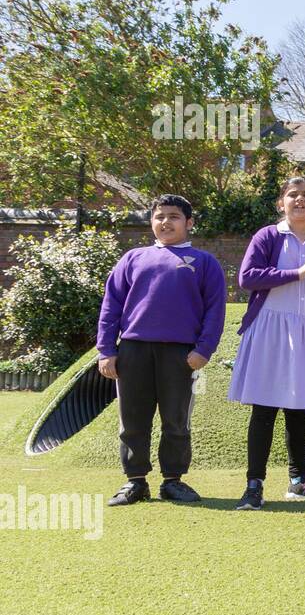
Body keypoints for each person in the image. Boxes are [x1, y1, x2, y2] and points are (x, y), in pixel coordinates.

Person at [229, 176, 305, 510]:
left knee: (300, 408)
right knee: (264, 407)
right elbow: (247, 278)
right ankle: (254, 485)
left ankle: (300, 481)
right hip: (269, 327)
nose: (300, 200)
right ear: (280, 203)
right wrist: (298, 272)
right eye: (292, 195)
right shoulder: (267, 236)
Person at [99, 194, 225, 506]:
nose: (165, 222)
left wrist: (203, 350)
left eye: (174, 216)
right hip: (133, 350)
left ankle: (173, 481)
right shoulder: (133, 259)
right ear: (152, 222)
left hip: (179, 355)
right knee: (132, 420)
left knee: (176, 419)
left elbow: (215, 311)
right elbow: (111, 306)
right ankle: (135, 481)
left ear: (189, 223)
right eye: (159, 216)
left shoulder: (204, 263)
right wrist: (106, 350)